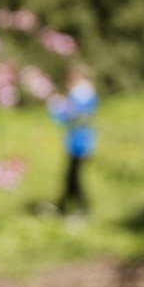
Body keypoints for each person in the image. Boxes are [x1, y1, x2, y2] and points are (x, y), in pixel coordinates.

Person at [48, 65, 99, 213]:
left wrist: (58, 109)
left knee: (74, 178)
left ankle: (82, 209)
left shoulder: (82, 96)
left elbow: (74, 118)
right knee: (70, 177)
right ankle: (62, 207)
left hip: (81, 143)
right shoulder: (82, 96)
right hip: (77, 142)